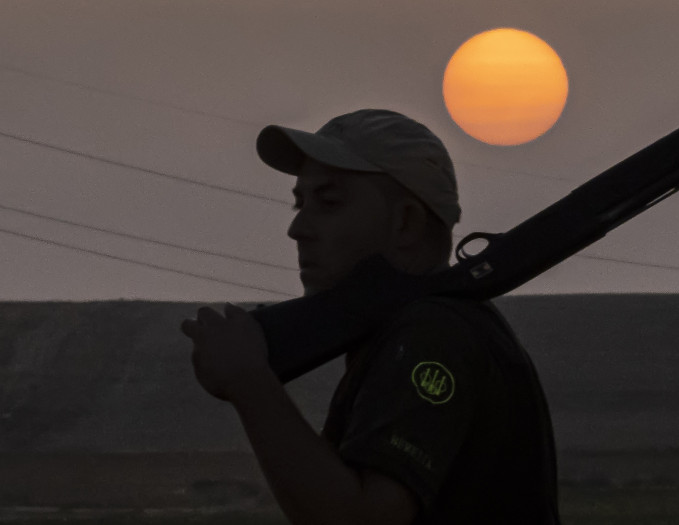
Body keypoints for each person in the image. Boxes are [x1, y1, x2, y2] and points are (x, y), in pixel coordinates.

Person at [179, 109, 561, 524]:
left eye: (329, 203)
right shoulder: (421, 328)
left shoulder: (433, 333)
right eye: (299, 202)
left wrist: (250, 382)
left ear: (406, 222)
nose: (298, 228)